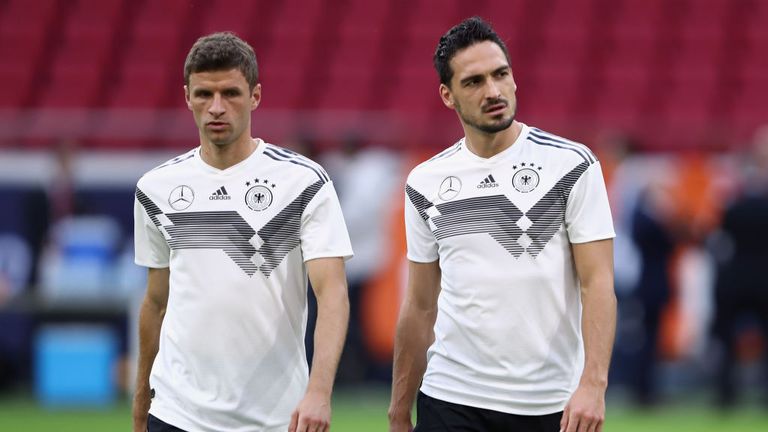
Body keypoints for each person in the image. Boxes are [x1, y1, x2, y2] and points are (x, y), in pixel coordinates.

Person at [388, 17, 616, 432]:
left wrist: (593, 385)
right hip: (451, 397)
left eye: (501, 74)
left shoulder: (571, 165)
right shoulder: (425, 182)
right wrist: (399, 408)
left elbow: (597, 283)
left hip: (550, 403)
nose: (493, 91)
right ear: (448, 96)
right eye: (474, 82)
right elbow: (419, 305)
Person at [132, 32, 352, 432]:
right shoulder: (155, 188)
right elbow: (155, 302)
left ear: (255, 96)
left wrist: (319, 391)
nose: (216, 108)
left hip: (274, 416)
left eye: (231, 93)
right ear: (187, 97)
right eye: (203, 95)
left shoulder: (303, 182)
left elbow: (332, 292)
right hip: (176, 413)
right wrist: (140, 401)